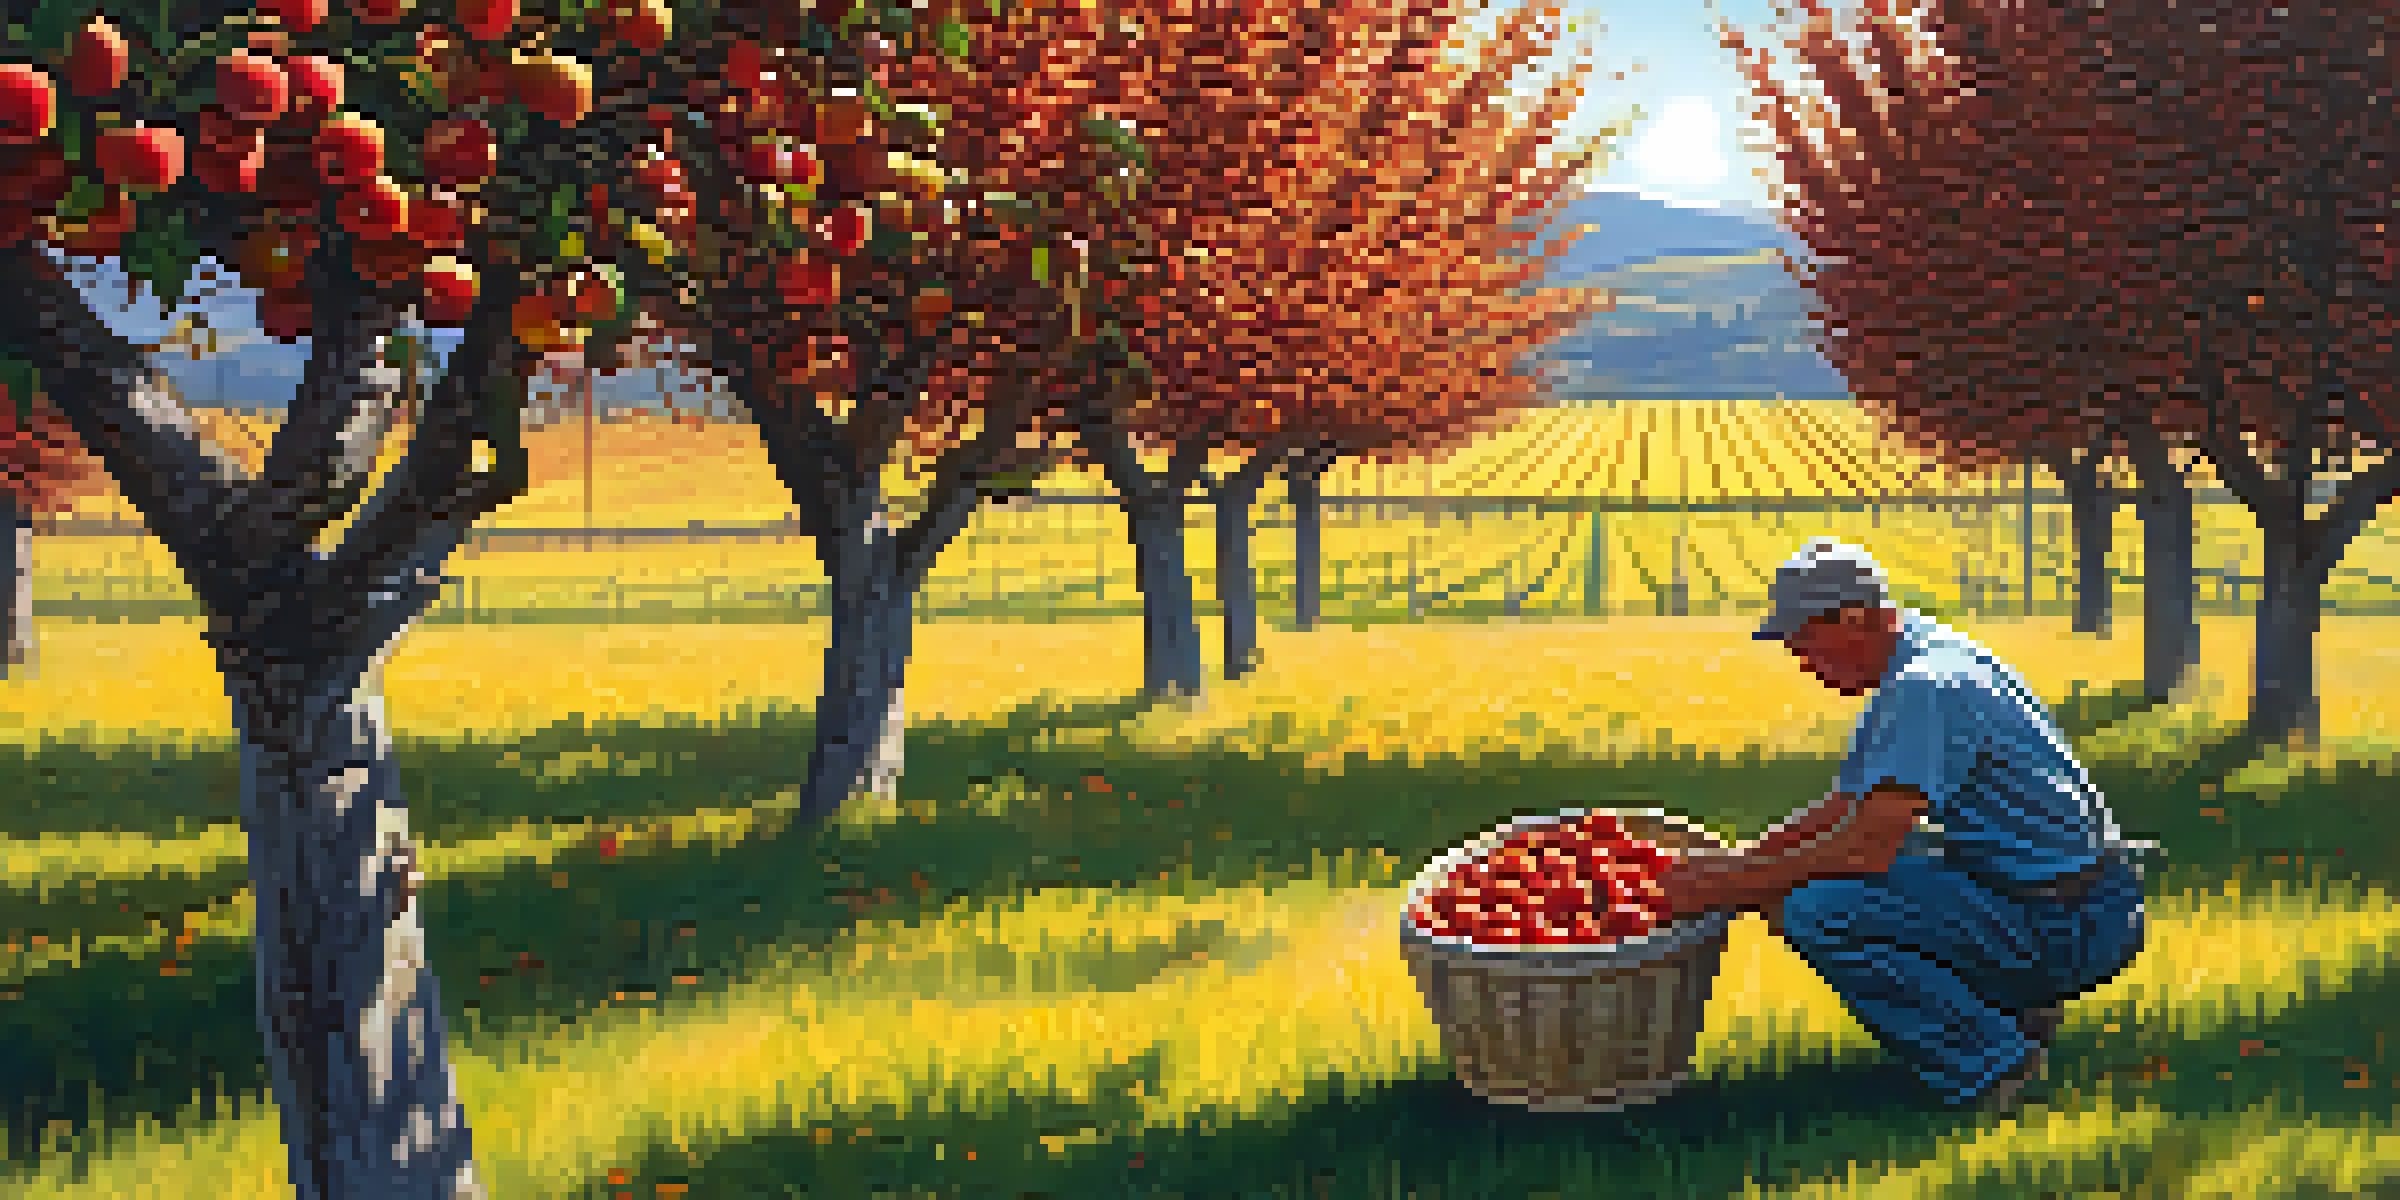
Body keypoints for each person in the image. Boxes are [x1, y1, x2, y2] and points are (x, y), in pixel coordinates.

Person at [1656, 538, 2155, 1116]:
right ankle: (2012, 1014)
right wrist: (1743, 862)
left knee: (1815, 909)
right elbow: (1848, 806)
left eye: (1803, 641)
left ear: (1854, 619)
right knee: (1814, 876)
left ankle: (1993, 1064)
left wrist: (1725, 885)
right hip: (2080, 900)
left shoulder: (1924, 688)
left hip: (2069, 922)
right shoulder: (1923, 649)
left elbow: (1865, 847)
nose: (1800, 660)